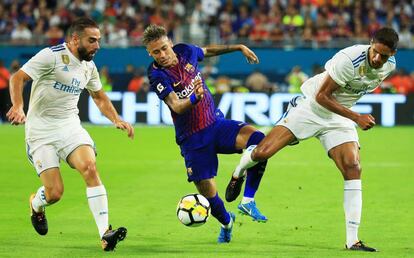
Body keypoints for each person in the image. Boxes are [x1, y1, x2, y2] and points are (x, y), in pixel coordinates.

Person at [226, 27, 399, 252]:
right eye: (375, 52)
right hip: (312, 107)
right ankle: (238, 171)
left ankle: (352, 240)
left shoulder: (389, 67)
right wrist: (357, 117)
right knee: (262, 153)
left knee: (353, 167)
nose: (378, 58)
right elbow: (322, 96)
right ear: (370, 43)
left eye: (384, 56)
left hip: (339, 115)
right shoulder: (349, 60)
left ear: (392, 55)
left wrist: (350, 115)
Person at [6, 17, 134, 252]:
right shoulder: (51, 56)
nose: (97, 46)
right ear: (75, 39)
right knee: (55, 194)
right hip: (40, 131)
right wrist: (18, 107)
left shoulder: (89, 66)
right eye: (92, 40)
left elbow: (99, 96)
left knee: (90, 168)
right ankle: (36, 204)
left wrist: (116, 119)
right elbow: (18, 78)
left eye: (99, 41)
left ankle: (105, 233)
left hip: (69, 126)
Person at [143, 24, 268, 243]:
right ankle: (227, 223)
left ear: (170, 43)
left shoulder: (186, 51)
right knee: (210, 195)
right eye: (156, 52)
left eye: (164, 48)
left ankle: (245, 195)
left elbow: (207, 51)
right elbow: (176, 105)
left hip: (215, 124)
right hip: (192, 139)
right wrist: (194, 98)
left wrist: (239, 47)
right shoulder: (157, 74)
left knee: (259, 141)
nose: (162, 55)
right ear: (149, 53)